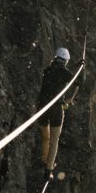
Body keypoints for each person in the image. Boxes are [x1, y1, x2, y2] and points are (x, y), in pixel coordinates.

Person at [37, 46, 76, 179]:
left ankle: (44, 159)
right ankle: (48, 170)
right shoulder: (65, 73)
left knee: (45, 137)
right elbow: (78, 82)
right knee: (54, 140)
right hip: (55, 109)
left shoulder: (47, 70)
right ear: (66, 61)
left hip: (42, 107)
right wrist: (81, 66)